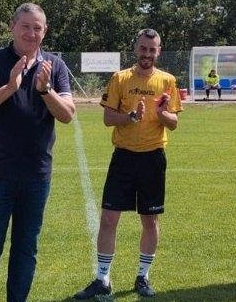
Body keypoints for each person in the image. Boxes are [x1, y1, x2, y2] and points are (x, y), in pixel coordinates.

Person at [0, 3, 75, 302]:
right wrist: (10, 86)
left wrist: (46, 90)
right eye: (26, 26)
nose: (31, 33)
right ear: (12, 26)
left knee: (26, 249)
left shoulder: (55, 65)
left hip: (36, 175)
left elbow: (68, 114)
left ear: (45, 31)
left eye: (38, 28)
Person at [74, 28, 181, 300]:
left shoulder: (167, 80)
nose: (147, 54)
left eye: (152, 49)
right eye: (143, 48)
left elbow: (174, 123)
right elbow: (108, 118)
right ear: (135, 49)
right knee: (109, 218)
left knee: (150, 220)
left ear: (158, 51)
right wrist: (130, 117)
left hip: (153, 157)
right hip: (123, 157)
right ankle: (102, 279)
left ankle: (143, 277)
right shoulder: (120, 78)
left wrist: (162, 113)